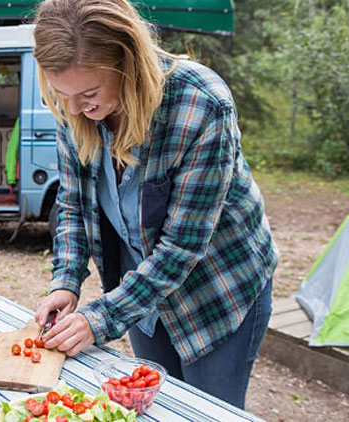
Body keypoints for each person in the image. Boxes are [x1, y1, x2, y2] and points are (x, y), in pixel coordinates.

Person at [32, 0, 278, 409]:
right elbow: (74, 203)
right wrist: (65, 280)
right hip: (142, 290)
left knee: (207, 410)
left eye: (89, 93)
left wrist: (98, 320)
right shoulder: (74, 107)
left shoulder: (201, 104)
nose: (74, 109)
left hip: (217, 290)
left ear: (127, 64)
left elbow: (182, 246)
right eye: (62, 94)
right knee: (153, 405)